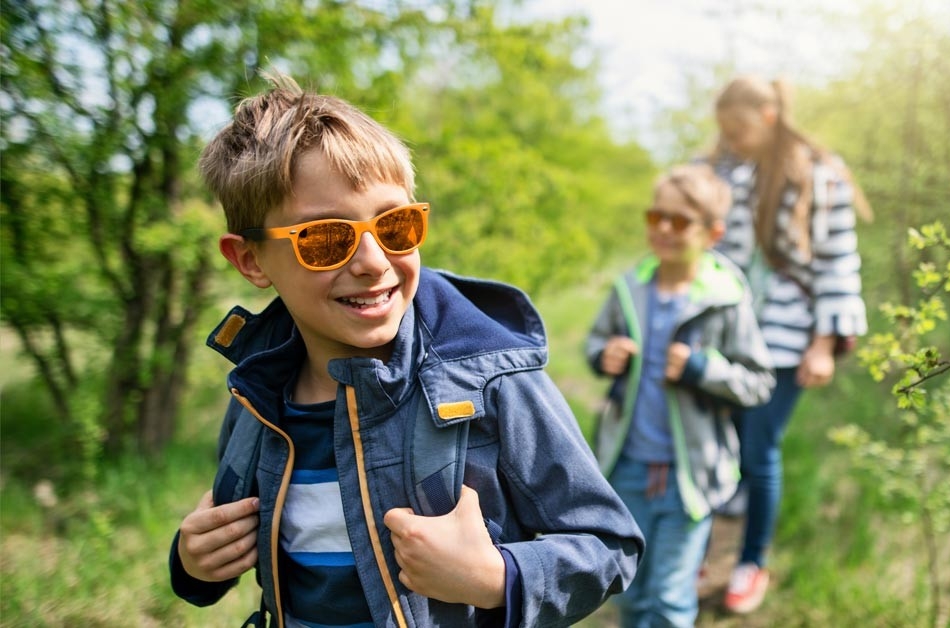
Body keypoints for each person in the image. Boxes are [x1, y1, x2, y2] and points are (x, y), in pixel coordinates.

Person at [168, 70, 644, 628]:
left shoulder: (489, 379)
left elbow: (611, 545)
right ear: (250, 260)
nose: (372, 261)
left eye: (394, 225)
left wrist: (497, 578)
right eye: (324, 238)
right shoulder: (257, 394)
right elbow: (238, 546)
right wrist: (194, 565)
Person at [707, 76, 873, 614]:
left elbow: (837, 262)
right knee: (721, 441)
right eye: (724, 128)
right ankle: (708, 543)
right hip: (726, 332)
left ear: (770, 115)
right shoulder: (721, 169)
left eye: (740, 127)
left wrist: (823, 344)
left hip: (784, 337)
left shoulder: (819, 172)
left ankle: (751, 562)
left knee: (759, 448)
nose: (731, 137)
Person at [585, 163, 775, 627]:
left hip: (689, 477)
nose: (665, 229)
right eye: (656, 217)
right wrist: (604, 355)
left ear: (713, 232)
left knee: (669, 600)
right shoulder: (629, 288)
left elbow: (758, 381)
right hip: (625, 468)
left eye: (680, 221)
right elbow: (596, 342)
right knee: (628, 591)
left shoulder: (726, 298)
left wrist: (701, 367)